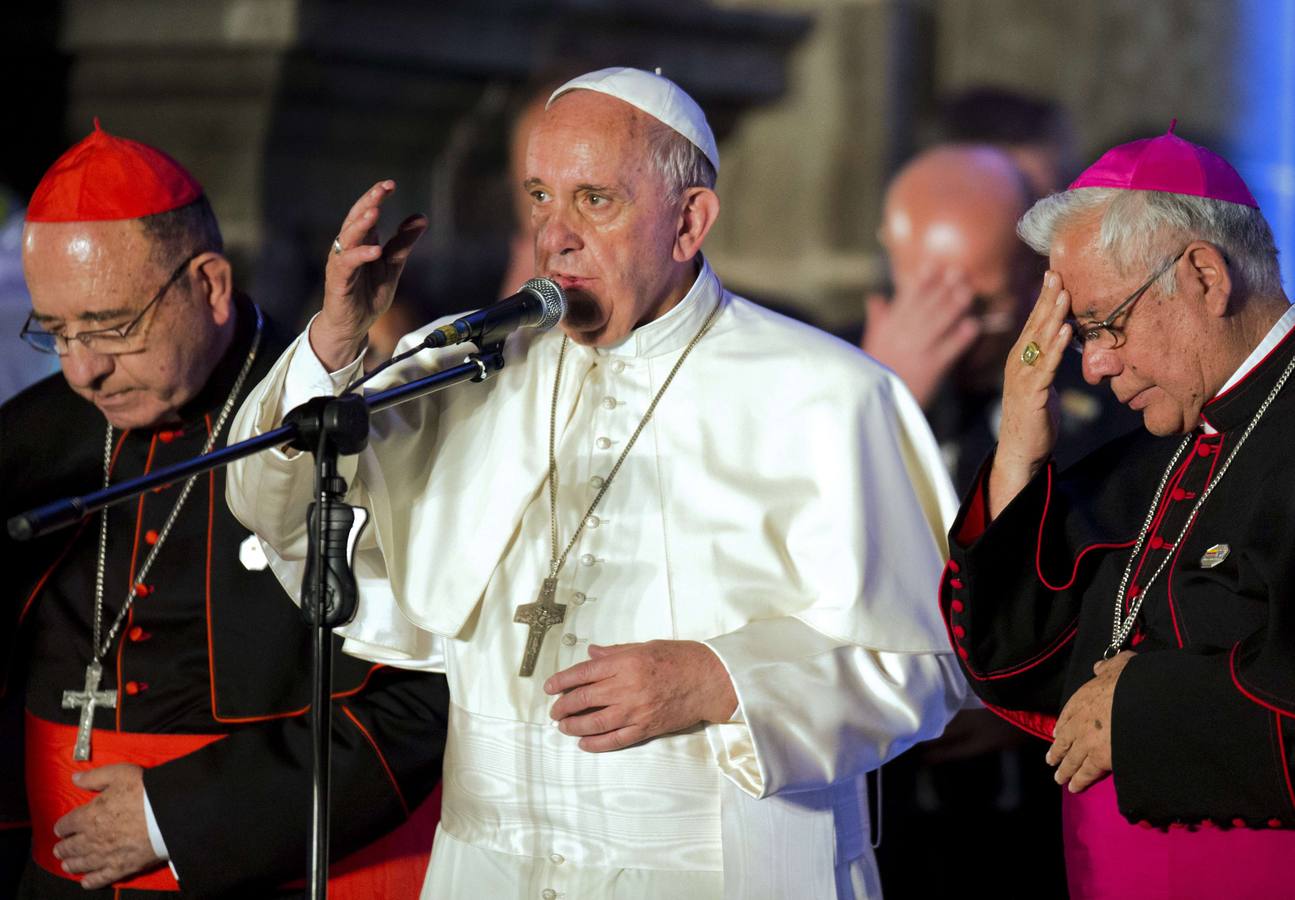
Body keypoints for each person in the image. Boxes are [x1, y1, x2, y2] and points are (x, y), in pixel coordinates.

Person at [226, 66, 968, 899]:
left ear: (689, 222)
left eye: (595, 200)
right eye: (540, 197)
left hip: (718, 872)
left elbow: (926, 662)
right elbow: (272, 512)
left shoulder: (829, 396)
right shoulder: (458, 366)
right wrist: (335, 341)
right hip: (486, 869)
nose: (555, 236)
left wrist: (720, 678)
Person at [0, 122, 449, 899]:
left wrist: (175, 818)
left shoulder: (339, 428)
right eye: (56, 332)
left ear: (208, 285)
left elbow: (420, 706)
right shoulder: (28, 437)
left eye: (109, 327)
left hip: (274, 868)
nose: (83, 370)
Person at [940, 124, 1295, 897]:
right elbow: (1016, 659)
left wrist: (1143, 712)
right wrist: (1018, 452)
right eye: (1081, 339)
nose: (1094, 366)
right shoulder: (1151, 450)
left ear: (1204, 275)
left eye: (1104, 324)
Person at [865, 144, 1139, 491]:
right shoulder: (838, 366)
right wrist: (879, 399)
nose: (958, 329)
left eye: (982, 307)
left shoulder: (1099, 380)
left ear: (1033, 271)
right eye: (926, 299)